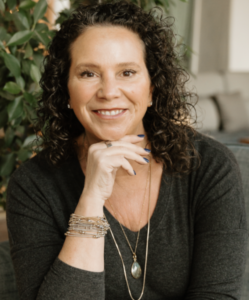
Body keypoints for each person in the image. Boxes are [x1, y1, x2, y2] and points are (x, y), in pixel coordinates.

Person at [6, 1, 248, 299]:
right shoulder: (33, 186)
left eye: (127, 72)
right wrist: (91, 200)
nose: (108, 92)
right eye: (88, 74)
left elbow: (219, 295)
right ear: (66, 89)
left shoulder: (209, 166)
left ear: (152, 88)